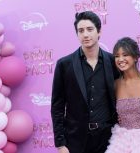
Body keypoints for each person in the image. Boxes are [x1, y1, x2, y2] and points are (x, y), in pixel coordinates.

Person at [51, 11, 119, 153]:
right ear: (77, 34)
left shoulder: (113, 62)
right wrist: (60, 144)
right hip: (76, 141)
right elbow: (57, 107)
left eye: (90, 29)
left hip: (108, 139)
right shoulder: (64, 64)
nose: (85, 34)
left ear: (99, 32)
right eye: (81, 31)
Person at [105, 37, 140, 153]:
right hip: (121, 141)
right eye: (117, 56)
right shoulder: (115, 84)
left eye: (125, 55)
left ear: (135, 57)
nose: (120, 59)